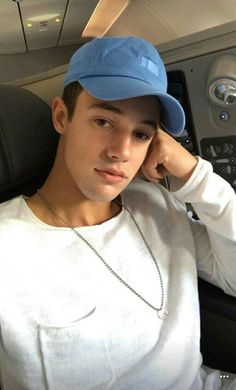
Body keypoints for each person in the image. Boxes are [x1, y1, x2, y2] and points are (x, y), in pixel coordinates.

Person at [0, 36, 235, 390]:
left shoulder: (156, 204)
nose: (122, 151)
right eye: (104, 122)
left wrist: (194, 174)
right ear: (62, 116)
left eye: (141, 134)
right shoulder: (8, 244)